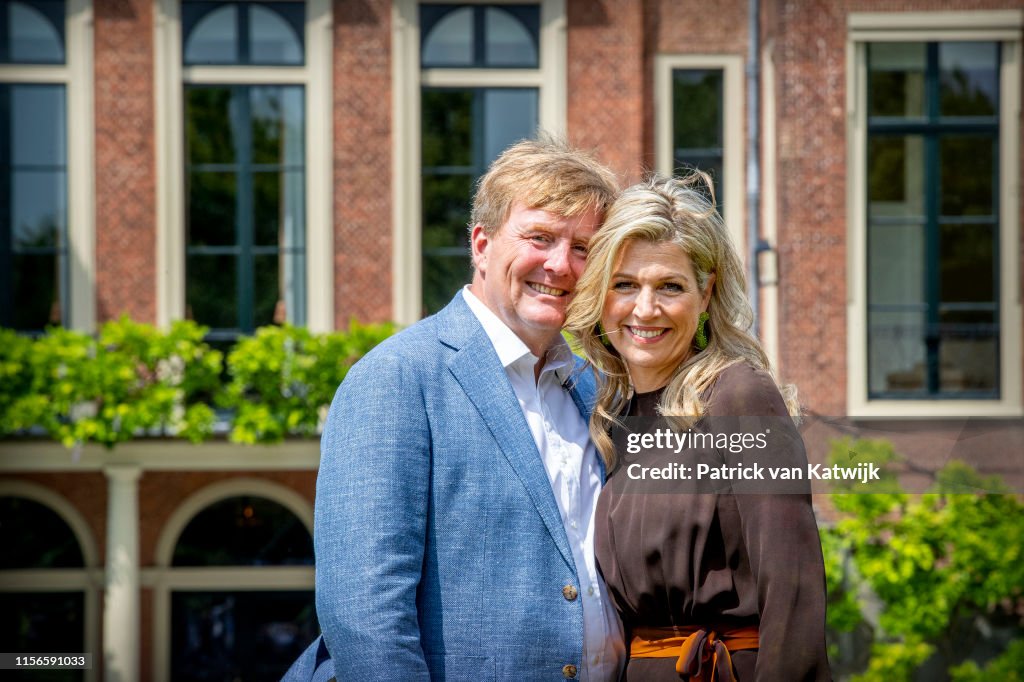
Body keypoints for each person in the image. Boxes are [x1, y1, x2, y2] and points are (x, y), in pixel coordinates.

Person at [284, 137, 625, 681]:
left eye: (584, 248)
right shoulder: (397, 377)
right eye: (540, 237)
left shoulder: (594, 389)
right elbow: (365, 615)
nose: (561, 265)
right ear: (482, 244)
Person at [564, 172, 830, 681]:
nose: (645, 309)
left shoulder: (740, 395)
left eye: (670, 286)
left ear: (705, 295)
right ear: (600, 295)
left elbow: (793, 590)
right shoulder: (611, 415)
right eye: (625, 285)